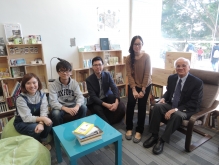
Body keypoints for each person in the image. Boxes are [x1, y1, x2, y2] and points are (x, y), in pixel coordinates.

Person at [143, 57, 203, 155]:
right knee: (157, 106)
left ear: (189, 67)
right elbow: (169, 92)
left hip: (187, 109)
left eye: (184, 65)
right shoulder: (172, 78)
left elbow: (194, 103)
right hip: (172, 104)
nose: (180, 68)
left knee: (177, 115)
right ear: (175, 68)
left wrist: (175, 109)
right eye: (178, 66)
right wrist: (163, 98)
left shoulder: (197, 82)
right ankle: (154, 136)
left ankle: (162, 140)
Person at [14, 73, 52, 150]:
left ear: (38, 83)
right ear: (24, 85)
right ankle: (36, 142)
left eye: (34, 82)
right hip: (22, 121)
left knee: (49, 122)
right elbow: (27, 118)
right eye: (28, 83)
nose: (32, 86)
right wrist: (43, 119)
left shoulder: (42, 93)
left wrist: (41, 122)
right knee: (35, 128)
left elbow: (44, 110)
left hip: (38, 118)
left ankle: (43, 140)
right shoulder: (20, 99)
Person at [125, 35, 152, 143]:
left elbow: (147, 74)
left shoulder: (146, 57)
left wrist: (143, 90)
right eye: (135, 44)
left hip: (145, 84)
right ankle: (129, 128)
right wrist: (133, 89)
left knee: (141, 106)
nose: (137, 46)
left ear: (142, 45)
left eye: (139, 44)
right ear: (132, 45)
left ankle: (139, 130)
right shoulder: (128, 58)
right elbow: (129, 75)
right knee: (130, 104)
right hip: (134, 85)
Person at [86, 56, 125, 124]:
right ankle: (108, 125)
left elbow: (114, 87)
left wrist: (116, 102)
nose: (98, 67)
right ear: (92, 67)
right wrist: (106, 105)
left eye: (100, 64)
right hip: (97, 100)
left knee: (113, 98)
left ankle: (108, 122)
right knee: (97, 109)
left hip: (106, 97)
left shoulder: (107, 75)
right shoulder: (89, 80)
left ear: (103, 66)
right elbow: (93, 96)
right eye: (95, 65)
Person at [49, 59, 87, 127]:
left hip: (72, 105)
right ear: (58, 72)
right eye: (62, 71)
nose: (64, 73)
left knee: (83, 107)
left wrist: (77, 106)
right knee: (56, 114)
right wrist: (65, 108)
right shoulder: (53, 85)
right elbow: (52, 102)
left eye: (67, 70)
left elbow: (80, 96)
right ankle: (58, 132)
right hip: (60, 107)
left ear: (70, 72)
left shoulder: (74, 83)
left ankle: (80, 127)